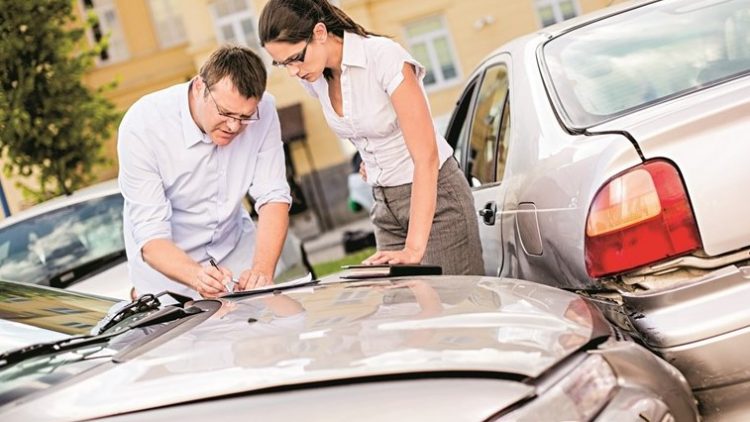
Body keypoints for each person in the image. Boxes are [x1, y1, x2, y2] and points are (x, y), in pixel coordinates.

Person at [259, 0, 483, 275]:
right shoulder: (314, 79)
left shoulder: (383, 57)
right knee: (406, 312)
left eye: (295, 58)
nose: (293, 71)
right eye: (283, 64)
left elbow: (426, 156)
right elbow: (365, 129)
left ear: (319, 33)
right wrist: (373, 160)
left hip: (436, 201)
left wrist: (413, 249)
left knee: (455, 310)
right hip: (384, 205)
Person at [117, 45, 292, 300]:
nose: (234, 126)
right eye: (225, 113)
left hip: (236, 253)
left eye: (245, 117)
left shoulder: (264, 109)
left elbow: (273, 196)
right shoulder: (143, 125)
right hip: (169, 277)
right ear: (199, 87)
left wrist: (262, 271)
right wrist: (197, 275)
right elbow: (151, 238)